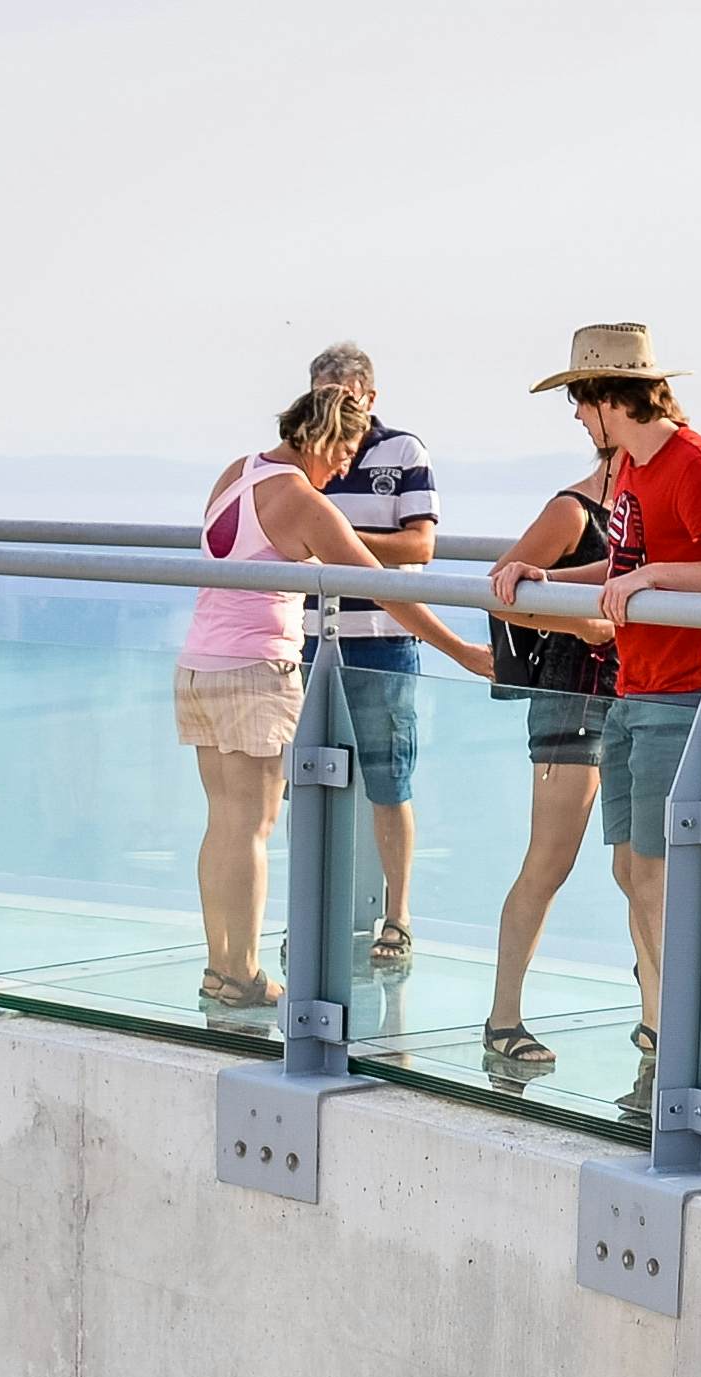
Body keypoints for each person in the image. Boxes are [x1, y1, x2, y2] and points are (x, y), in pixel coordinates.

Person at [490, 324, 701, 1108]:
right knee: (632, 872)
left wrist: (655, 574)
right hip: (634, 690)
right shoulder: (627, 471)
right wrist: (541, 574)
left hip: (689, 693)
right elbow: (619, 572)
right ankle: (667, 1041)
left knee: (655, 878)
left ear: (609, 399)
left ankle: (686, 1051)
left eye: (582, 406)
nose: (580, 423)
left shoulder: (695, 462)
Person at [176, 385, 428, 1016]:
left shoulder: (237, 473)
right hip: (257, 672)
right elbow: (379, 588)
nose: (344, 467)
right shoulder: (300, 499)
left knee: (222, 823)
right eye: (344, 450)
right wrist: (464, 652)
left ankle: (220, 967)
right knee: (254, 828)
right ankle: (248, 973)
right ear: (320, 437)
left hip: (200, 666)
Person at [306, 344, 486, 969]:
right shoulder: (306, 459)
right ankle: (313, 912)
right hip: (308, 639)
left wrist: (335, 543)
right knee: (307, 782)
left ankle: (398, 915)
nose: (333, 405)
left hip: (384, 639)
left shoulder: (402, 452)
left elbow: (420, 545)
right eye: (322, 393)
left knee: (390, 781)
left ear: (368, 395)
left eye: (343, 393)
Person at [477, 460, 619, 1082]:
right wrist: (583, 624)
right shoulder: (572, 510)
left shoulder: (643, 507)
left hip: (633, 696)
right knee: (550, 862)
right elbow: (499, 590)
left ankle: (657, 1019)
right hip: (570, 698)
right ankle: (503, 1018)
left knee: (640, 865)